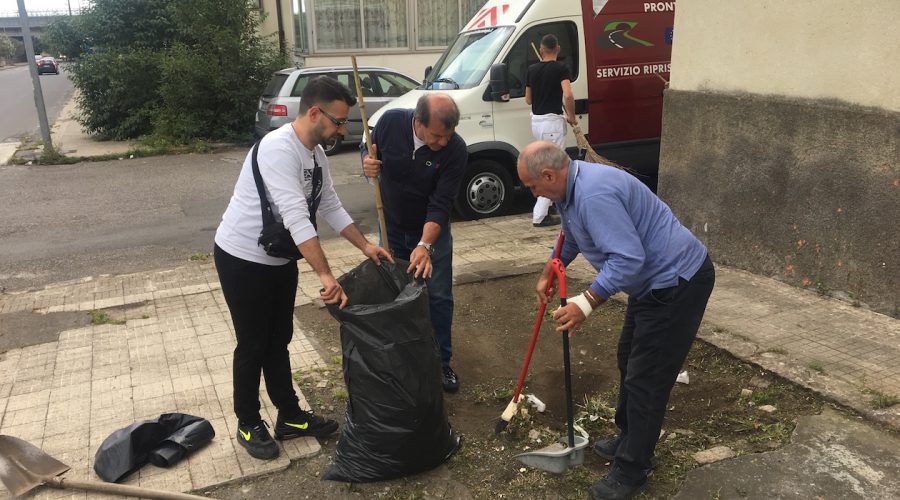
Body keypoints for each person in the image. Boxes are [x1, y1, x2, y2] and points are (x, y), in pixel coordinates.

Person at [517, 142, 716, 499]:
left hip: (677, 282)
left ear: (548, 175)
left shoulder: (594, 195)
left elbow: (627, 259)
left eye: (533, 187)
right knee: (629, 358)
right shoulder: (571, 192)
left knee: (647, 378)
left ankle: (632, 468)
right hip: (653, 284)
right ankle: (630, 438)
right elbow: (573, 235)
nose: (534, 194)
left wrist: (587, 302)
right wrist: (550, 269)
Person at [214, 76, 393, 461]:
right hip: (242, 258)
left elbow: (328, 203)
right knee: (253, 343)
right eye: (338, 121)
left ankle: (289, 416)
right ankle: (248, 421)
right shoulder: (280, 150)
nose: (342, 130)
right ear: (314, 113)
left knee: (279, 338)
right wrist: (326, 275)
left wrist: (366, 247)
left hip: (279, 257)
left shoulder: (316, 153)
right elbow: (296, 216)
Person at [361, 94, 467, 392]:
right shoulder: (391, 122)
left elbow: (441, 203)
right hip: (391, 227)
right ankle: (400, 358)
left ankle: (441, 361)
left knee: (438, 296)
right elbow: (369, 149)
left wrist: (425, 245)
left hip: (432, 234)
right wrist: (367, 164)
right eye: (437, 135)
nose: (443, 142)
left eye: (449, 135)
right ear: (417, 123)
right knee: (395, 293)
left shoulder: (455, 150)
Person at [525, 33, 577, 227]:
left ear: (541, 50)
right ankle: (539, 215)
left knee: (544, 165)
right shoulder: (561, 68)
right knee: (554, 167)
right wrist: (571, 117)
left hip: (536, 123)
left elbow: (528, 100)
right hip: (552, 123)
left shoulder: (532, 69)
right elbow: (568, 95)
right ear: (558, 49)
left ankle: (552, 206)